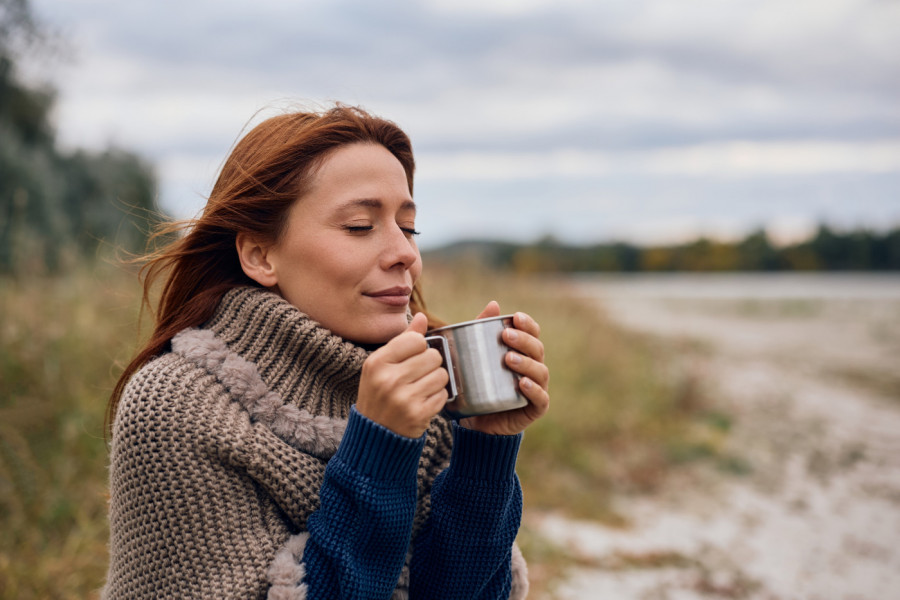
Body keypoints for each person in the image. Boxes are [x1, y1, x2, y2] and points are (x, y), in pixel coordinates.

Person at [103, 104, 550, 599]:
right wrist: (378, 447)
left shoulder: (430, 389)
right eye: (360, 226)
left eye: (409, 227)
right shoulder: (175, 406)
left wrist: (484, 452)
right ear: (259, 254)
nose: (406, 253)